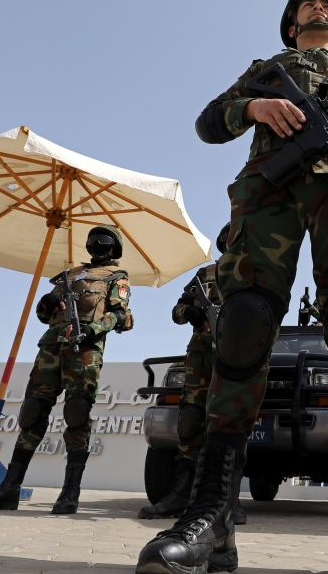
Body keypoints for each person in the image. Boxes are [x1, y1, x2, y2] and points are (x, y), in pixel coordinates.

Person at [137, 0, 328, 574]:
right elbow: (209, 123)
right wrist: (254, 107)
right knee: (243, 324)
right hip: (268, 196)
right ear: (291, 24)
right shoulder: (265, 69)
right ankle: (211, 518)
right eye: (307, 5)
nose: (321, 7)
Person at [0, 225, 133, 515]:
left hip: (84, 350)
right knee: (32, 413)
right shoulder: (67, 276)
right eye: (92, 239)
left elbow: (120, 316)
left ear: (114, 247)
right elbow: (44, 316)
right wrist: (48, 302)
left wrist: (93, 328)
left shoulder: (117, 278)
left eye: (103, 240)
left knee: (76, 413)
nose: (96, 244)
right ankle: (9, 489)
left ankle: (69, 494)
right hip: (51, 348)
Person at [138, 224, 247, 525]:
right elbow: (178, 309)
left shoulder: (257, 272)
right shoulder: (206, 275)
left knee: (230, 424)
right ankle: (181, 495)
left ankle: (228, 500)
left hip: (237, 356)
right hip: (200, 356)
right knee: (190, 421)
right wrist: (191, 313)